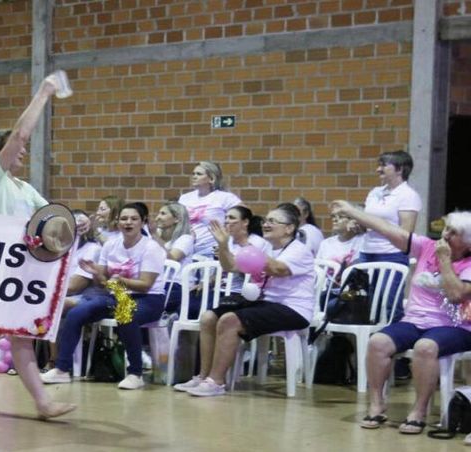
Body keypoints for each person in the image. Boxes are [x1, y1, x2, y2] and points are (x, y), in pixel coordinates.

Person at [0, 73, 76, 419]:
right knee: (21, 336)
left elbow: (49, 217)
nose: (23, 149)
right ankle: (43, 403)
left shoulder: (23, 188)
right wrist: (44, 92)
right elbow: (22, 132)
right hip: (2, 269)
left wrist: (75, 222)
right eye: (16, 147)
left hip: (22, 268)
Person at [331, 202, 471, 434]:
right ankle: (377, 404)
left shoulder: (467, 263)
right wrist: (352, 211)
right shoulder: (426, 246)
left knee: (425, 347)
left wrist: (445, 261)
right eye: (446, 229)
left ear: (467, 242)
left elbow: (456, 295)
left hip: (454, 326)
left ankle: (419, 410)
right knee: (378, 342)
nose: (445, 235)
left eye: (453, 232)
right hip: (414, 321)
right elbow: (386, 228)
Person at [175, 205, 315, 397]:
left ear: (289, 228)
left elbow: (278, 269)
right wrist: (224, 245)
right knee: (208, 317)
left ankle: (216, 382)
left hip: (293, 309)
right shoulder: (268, 248)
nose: (266, 224)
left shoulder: (298, 250)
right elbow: (230, 266)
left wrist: (249, 249)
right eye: (266, 220)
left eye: (272, 221)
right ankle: (203, 375)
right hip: (266, 303)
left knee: (230, 320)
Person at [43, 203, 169, 389]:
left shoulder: (151, 248)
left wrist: (119, 280)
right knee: (76, 314)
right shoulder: (111, 245)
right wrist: (95, 273)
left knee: (126, 315)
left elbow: (145, 285)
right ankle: (62, 369)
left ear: (143, 222)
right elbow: (102, 282)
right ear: (117, 222)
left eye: (134, 219)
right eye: (124, 219)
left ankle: (135, 373)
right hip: (116, 294)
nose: (128, 223)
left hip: (148, 299)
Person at [359, 151, 421, 324]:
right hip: (367, 251)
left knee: (389, 304)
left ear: (399, 169)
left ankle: (392, 343)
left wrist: (375, 225)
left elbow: (405, 234)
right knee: (365, 303)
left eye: (383, 165)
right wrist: (358, 224)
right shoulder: (375, 192)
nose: (378, 169)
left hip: (391, 253)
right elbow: (367, 222)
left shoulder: (408, 195)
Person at [177, 161, 243, 259]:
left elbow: (244, 216)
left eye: (199, 174)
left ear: (211, 178)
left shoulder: (225, 197)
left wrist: (228, 236)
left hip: (212, 251)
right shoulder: (184, 198)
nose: (194, 176)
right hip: (187, 251)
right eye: (193, 174)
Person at [153, 202, 195, 314]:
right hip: (158, 283)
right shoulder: (158, 237)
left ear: (176, 219)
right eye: (158, 213)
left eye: (163, 214)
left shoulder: (186, 238)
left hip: (177, 285)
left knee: (145, 303)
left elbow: (172, 258)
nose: (157, 218)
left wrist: (155, 237)